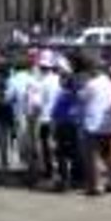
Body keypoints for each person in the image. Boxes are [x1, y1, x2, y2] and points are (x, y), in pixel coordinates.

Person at [79, 56, 111, 196]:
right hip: (108, 123)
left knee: (93, 156)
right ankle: (110, 180)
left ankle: (96, 185)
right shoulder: (110, 83)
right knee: (107, 155)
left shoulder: (91, 84)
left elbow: (82, 97)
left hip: (93, 124)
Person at [37, 52, 62, 182]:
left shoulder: (41, 82)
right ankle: (59, 170)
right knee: (57, 145)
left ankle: (50, 172)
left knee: (47, 146)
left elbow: (37, 102)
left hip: (45, 118)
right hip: (58, 118)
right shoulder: (58, 79)